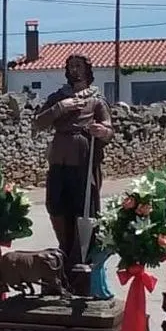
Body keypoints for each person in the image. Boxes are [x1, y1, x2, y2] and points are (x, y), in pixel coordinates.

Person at [32, 54, 114, 272]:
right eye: (71, 66)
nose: (75, 70)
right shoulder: (59, 97)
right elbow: (39, 122)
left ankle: (82, 251)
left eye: (79, 66)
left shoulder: (96, 99)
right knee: (56, 203)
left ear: (87, 70)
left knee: (83, 206)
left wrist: (102, 130)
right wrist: (60, 108)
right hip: (60, 155)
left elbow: (108, 128)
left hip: (83, 157)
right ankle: (64, 246)